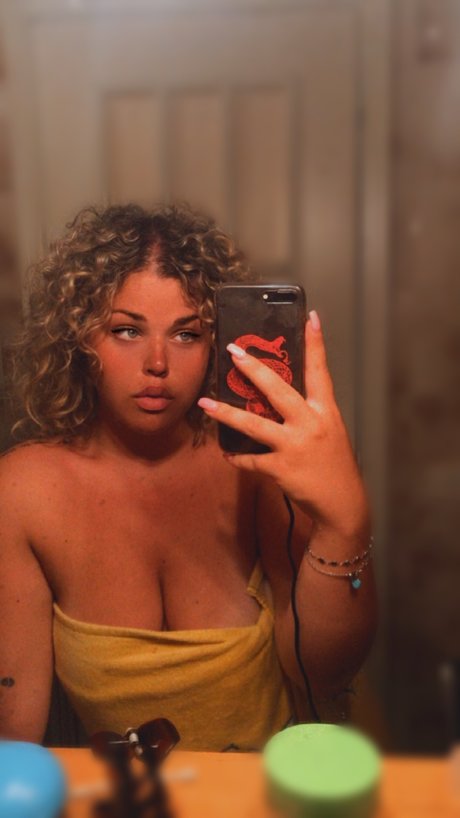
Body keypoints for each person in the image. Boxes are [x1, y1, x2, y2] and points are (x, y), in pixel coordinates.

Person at [0, 203, 377, 751]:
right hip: (129, 791)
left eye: (186, 334)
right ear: (78, 339)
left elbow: (323, 674)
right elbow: (14, 739)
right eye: (127, 330)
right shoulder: (24, 491)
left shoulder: (256, 465)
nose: (157, 363)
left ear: (217, 345)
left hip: (270, 781)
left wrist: (346, 525)